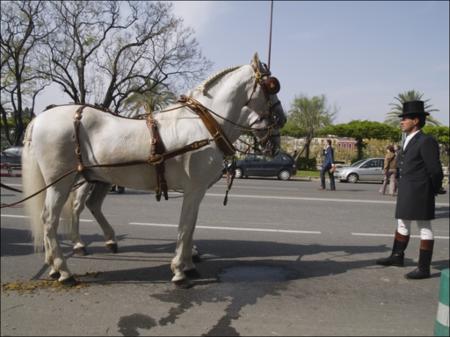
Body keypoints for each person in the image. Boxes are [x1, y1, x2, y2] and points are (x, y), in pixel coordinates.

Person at [376, 100, 443, 279]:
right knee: (402, 222)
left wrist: (435, 188)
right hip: (407, 189)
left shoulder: (426, 140)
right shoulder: (407, 140)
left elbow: (435, 169)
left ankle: (424, 268)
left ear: (416, 121)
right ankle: (397, 256)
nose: (401, 121)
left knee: (424, 226)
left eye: (405, 118)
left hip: (421, 190)